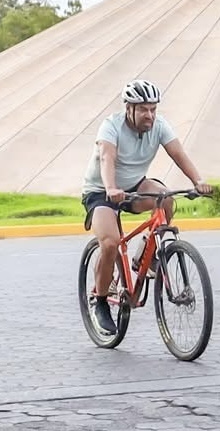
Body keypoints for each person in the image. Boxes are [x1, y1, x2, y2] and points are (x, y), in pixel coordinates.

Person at [81, 79, 212, 336]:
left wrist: (198, 181)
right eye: (143, 109)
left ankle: (146, 256)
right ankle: (100, 301)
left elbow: (178, 154)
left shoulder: (159, 126)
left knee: (166, 199)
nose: (149, 115)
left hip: (134, 185)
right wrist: (111, 188)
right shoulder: (111, 126)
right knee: (110, 243)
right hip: (101, 191)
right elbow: (107, 157)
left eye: (153, 109)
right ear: (129, 108)